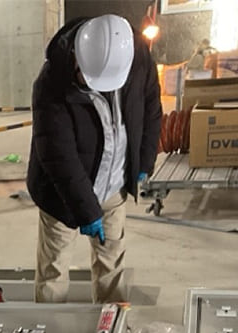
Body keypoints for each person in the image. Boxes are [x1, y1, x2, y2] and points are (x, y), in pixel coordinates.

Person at [26, 14, 162, 303]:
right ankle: (48, 325)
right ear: (76, 56)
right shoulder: (51, 84)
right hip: (62, 197)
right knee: (53, 269)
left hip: (114, 186)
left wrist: (144, 160)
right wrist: (86, 210)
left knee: (111, 264)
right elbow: (57, 155)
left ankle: (111, 323)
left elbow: (151, 107)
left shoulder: (136, 57)